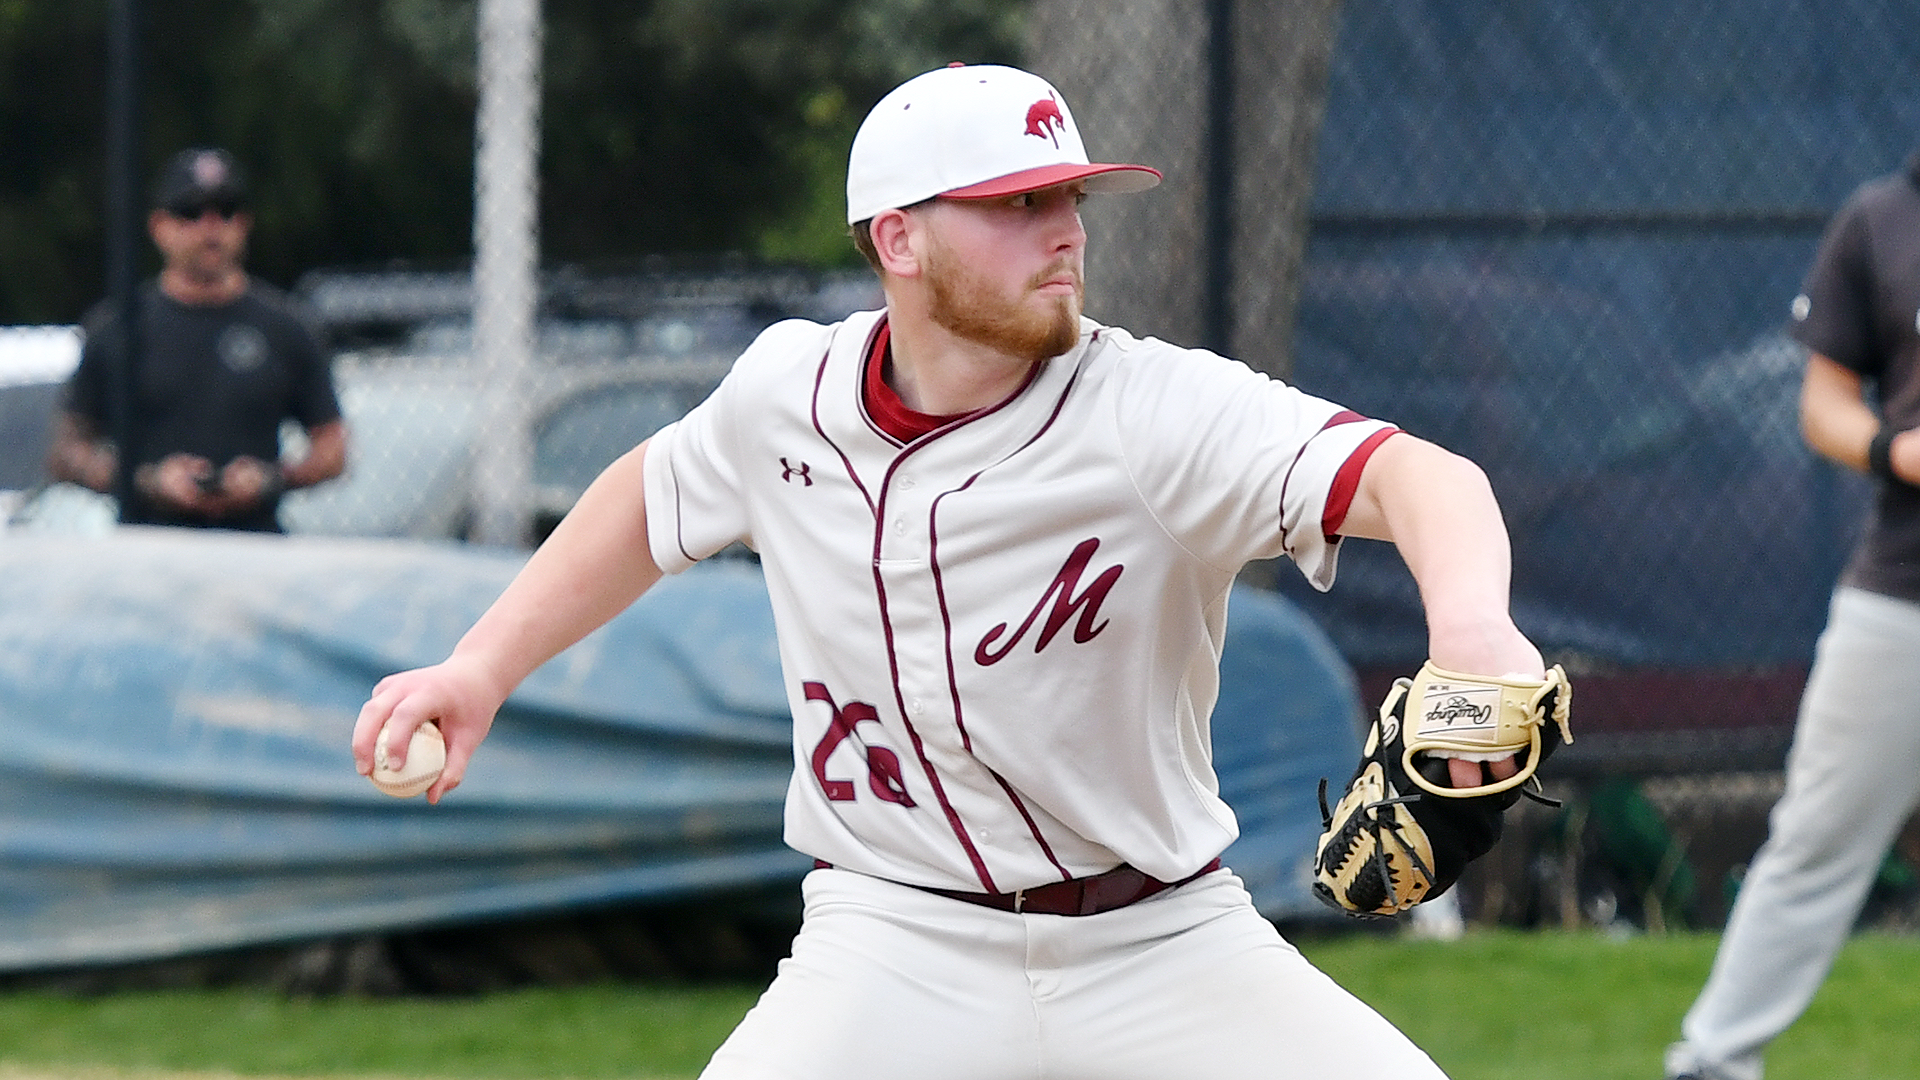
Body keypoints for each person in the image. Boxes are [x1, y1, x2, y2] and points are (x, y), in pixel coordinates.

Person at [355, 64, 1545, 1078]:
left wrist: (1475, 635)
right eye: (1017, 203)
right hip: (892, 939)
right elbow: (651, 498)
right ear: (897, 238)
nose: (1066, 229)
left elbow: (1426, 482)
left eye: (1069, 196)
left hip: (1161, 938)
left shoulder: (1153, 411)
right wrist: (480, 668)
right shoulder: (790, 396)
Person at [1662, 150, 1920, 1080]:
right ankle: (1713, 1065)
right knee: (1814, 842)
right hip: (1901, 596)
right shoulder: (1881, 218)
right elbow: (1821, 408)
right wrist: (1898, 451)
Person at [47, 147, 347, 532]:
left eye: (225, 211)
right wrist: (149, 483)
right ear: (159, 226)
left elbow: (332, 446)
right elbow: (67, 451)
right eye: (190, 213)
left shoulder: (286, 327)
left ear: (244, 223)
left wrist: (270, 479)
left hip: (253, 552)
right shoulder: (118, 328)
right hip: (149, 551)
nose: (210, 229)